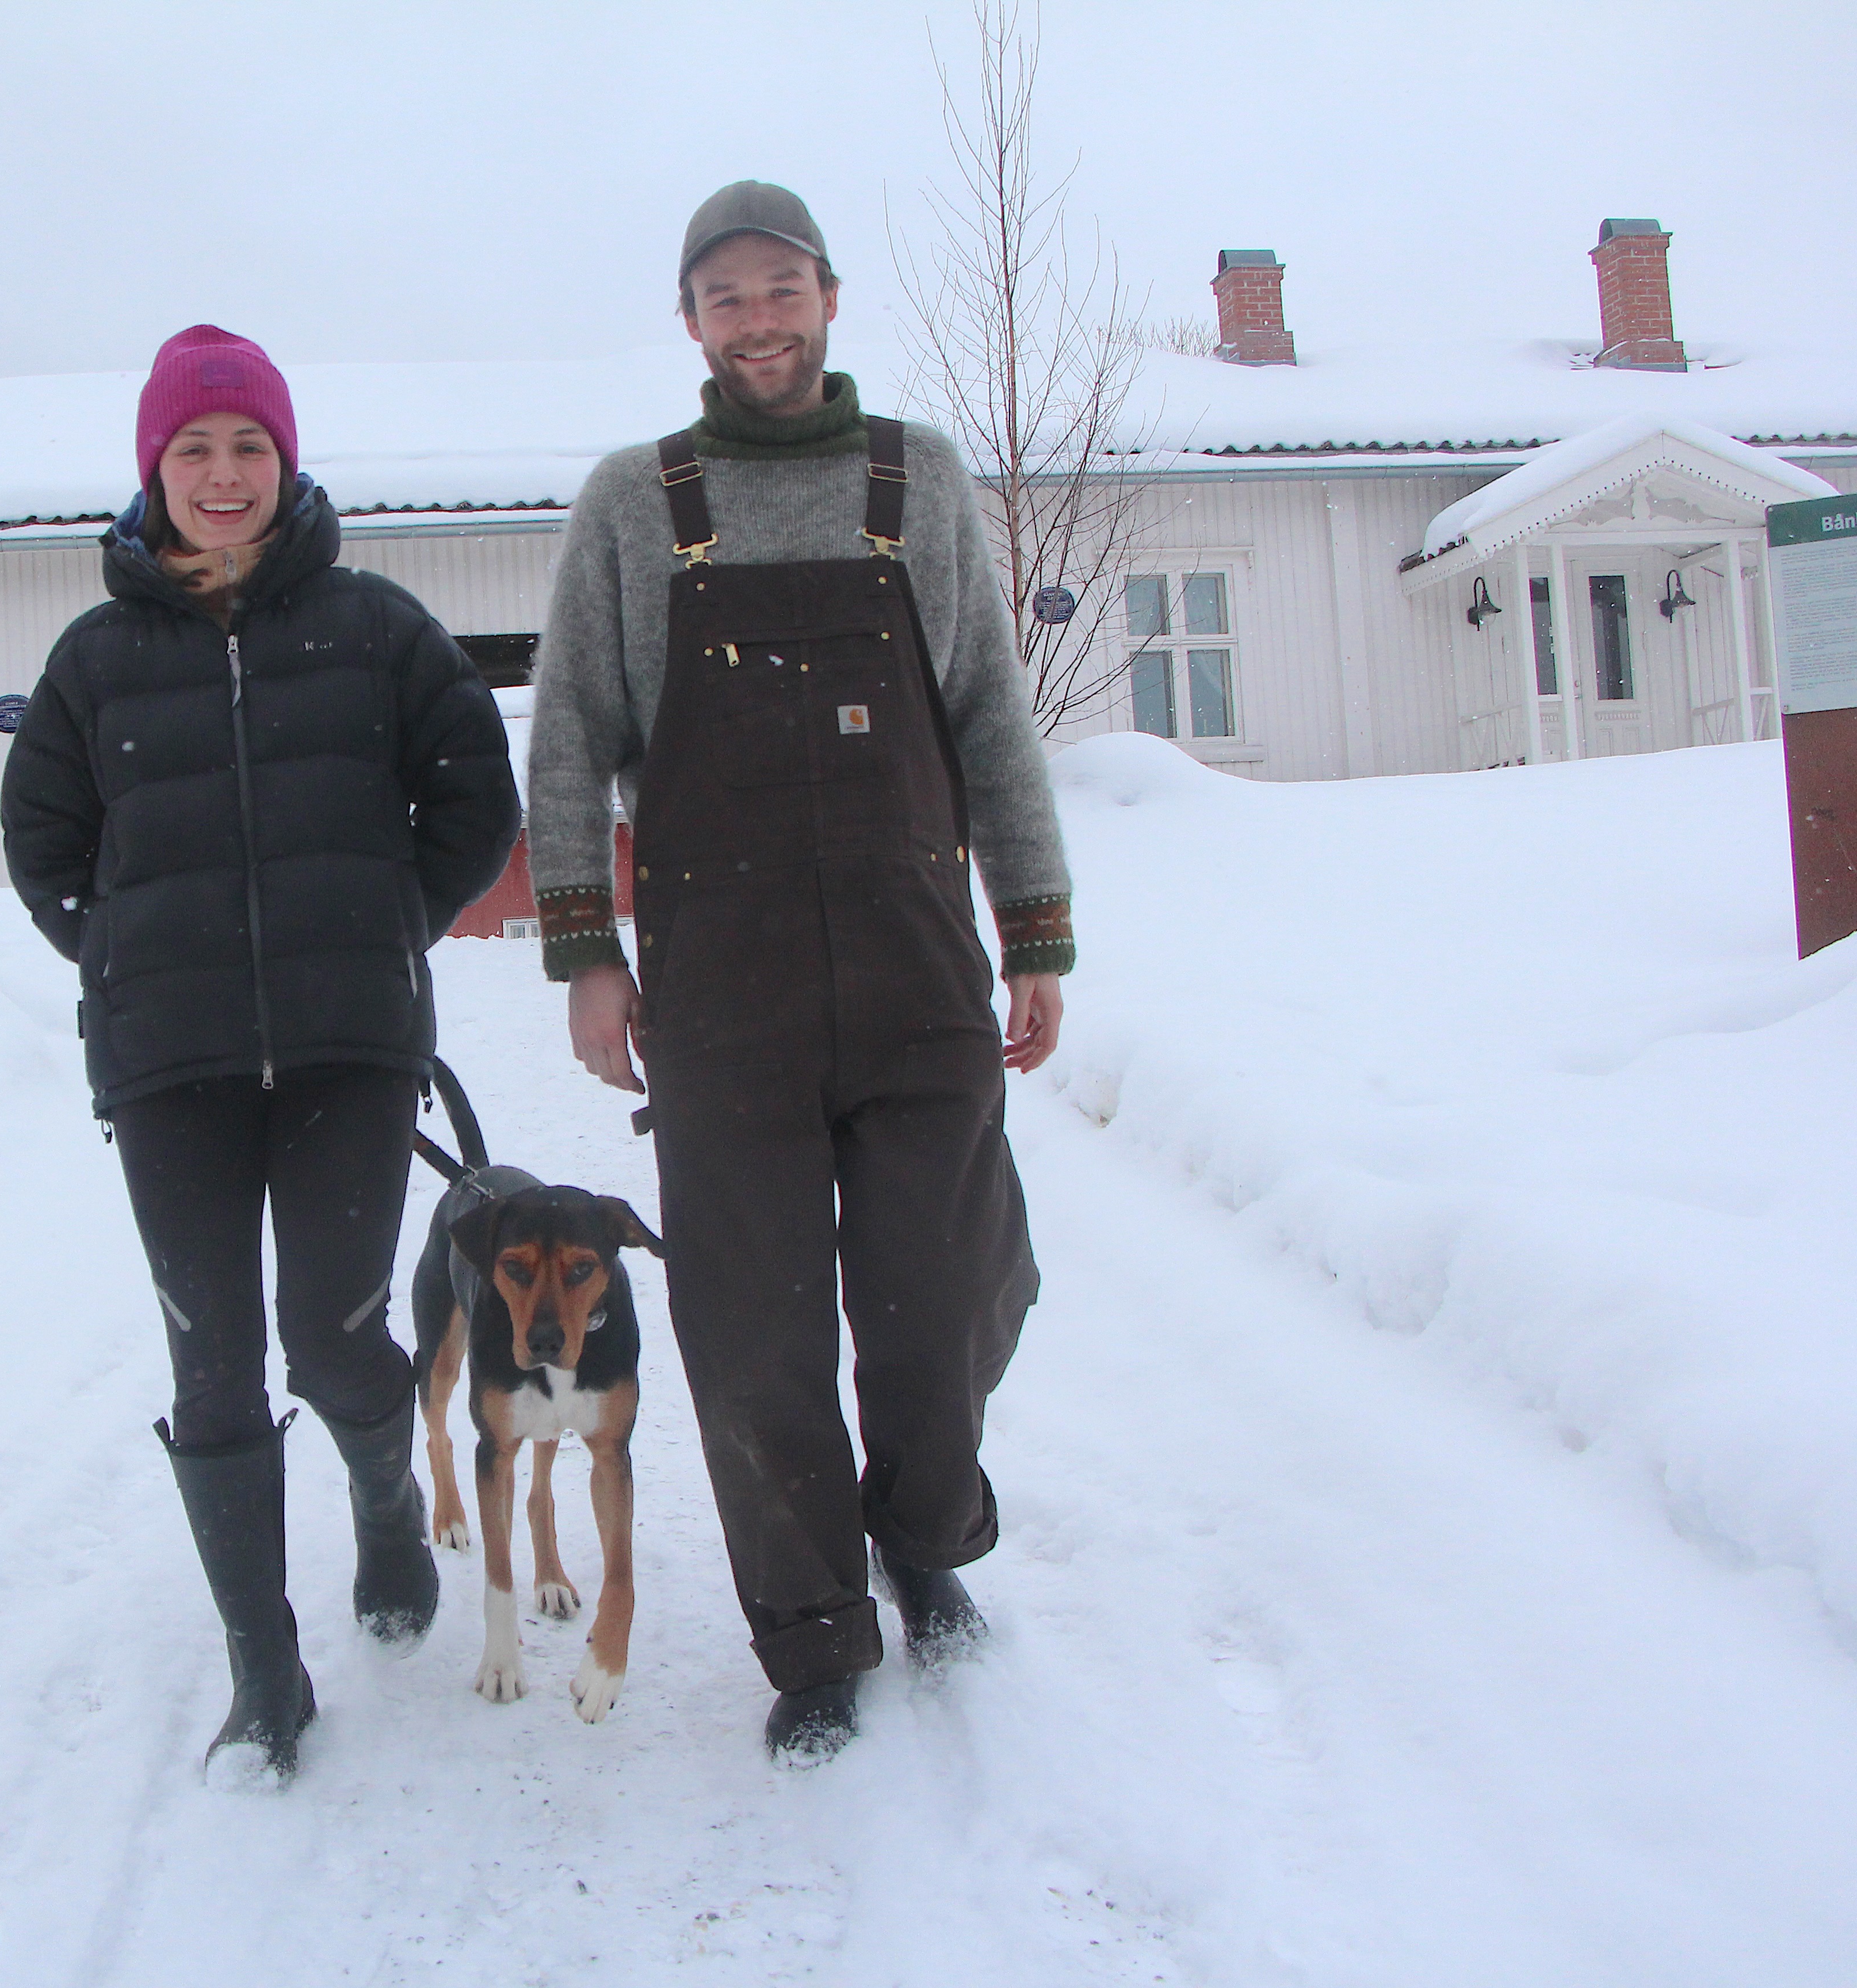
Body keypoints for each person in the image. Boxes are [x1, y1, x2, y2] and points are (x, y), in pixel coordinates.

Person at [525, 184, 1074, 1763]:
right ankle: (816, 1637)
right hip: (724, 993)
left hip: (918, 972)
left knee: (940, 1300)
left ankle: (924, 1539)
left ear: (830, 297)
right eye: (725, 295)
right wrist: (587, 956)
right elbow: (570, 738)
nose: (757, 317)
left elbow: (986, 722)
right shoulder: (639, 502)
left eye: (781, 287)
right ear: (690, 322)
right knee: (756, 1341)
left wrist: (1032, 926)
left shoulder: (918, 480)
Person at [1, 325, 519, 1781]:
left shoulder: (372, 626)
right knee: (213, 1359)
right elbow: (42, 839)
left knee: (336, 1334)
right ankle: (264, 1671)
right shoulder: (98, 660)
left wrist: (389, 923)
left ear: (285, 464)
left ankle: (382, 1502)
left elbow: (470, 788)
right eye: (192, 450)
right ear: (153, 472)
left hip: (349, 1055)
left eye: (248, 448)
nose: (221, 476)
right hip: (174, 1070)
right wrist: (118, 958)